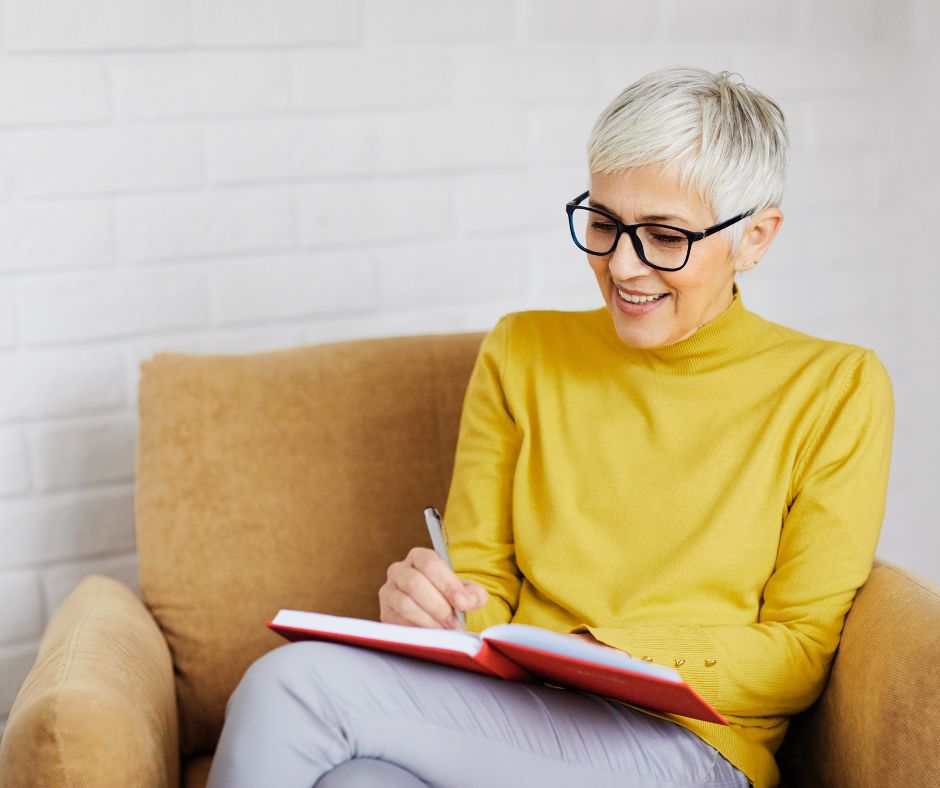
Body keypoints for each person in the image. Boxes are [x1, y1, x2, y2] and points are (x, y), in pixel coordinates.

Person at [206, 66, 894, 788]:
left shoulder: (835, 386)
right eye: (603, 222)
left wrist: (606, 651)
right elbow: (482, 583)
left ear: (755, 238)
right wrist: (438, 615)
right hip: (515, 715)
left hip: (690, 749)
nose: (621, 264)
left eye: (663, 236)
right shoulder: (522, 351)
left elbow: (800, 652)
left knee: (293, 687)